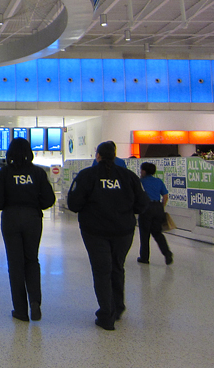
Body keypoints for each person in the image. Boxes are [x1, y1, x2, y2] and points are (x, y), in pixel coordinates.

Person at [67, 141, 149, 331]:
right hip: (123, 231)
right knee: (117, 267)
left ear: (98, 156)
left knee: (102, 270)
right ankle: (118, 307)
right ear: (115, 155)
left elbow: (74, 203)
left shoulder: (87, 175)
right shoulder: (129, 177)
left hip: (95, 231)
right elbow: (142, 203)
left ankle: (106, 314)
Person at [0, 138, 56, 322]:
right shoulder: (38, 173)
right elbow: (49, 199)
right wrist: (35, 205)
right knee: (31, 260)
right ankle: (35, 301)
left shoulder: (4, 173)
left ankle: (20, 310)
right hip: (33, 219)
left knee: (15, 264)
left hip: (11, 219)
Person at [137, 162, 173, 265]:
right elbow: (165, 196)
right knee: (157, 233)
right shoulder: (158, 181)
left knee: (144, 234)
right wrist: (161, 207)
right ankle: (167, 253)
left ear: (143, 171)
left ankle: (144, 257)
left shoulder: (140, 182)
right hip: (157, 207)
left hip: (145, 208)